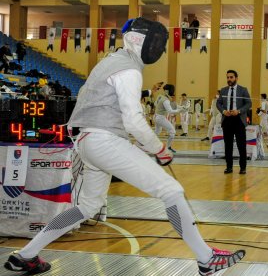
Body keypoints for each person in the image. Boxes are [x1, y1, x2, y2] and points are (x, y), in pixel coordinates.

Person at [3, 17, 245, 276]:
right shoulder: (128, 68)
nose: (159, 50)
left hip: (87, 143)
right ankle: (206, 259)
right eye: (155, 42)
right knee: (171, 190)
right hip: (103, 141)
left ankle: (26, 255)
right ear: (138, 40)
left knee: (87, 207)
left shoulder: (109, 62)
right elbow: (133, 120)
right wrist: (158, 148)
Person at [216, 70, 252, 174]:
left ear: (236, 78)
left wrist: (239, 111)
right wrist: (223, 111)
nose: (229, 79)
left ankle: (243, 167)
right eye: (227, 77)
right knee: (228, 145)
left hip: (239, 120)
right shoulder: (223, 90)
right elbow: (218, 104)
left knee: (241, 145)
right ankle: (229, 167)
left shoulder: (243, 90)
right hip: (227, 120)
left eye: (231, 77)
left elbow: (248, 103)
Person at [154, 84, 184, 152]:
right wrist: (180, 111)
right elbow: (170, 111)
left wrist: (180, 107)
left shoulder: (160, 96)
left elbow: (155, 104)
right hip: (160, 117)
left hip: (156, 116)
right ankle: (168, 147)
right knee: (172, 131)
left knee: (157, 131)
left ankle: (147, 144)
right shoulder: (166, 100)